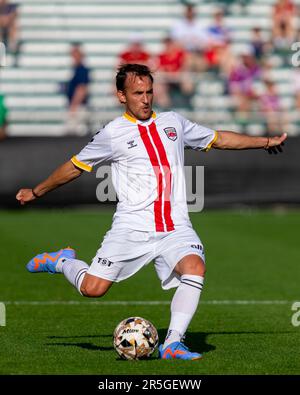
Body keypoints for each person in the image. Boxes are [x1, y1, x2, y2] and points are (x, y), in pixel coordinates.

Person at [16, 63, 286, 360]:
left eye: (149, 92)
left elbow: (218, 138)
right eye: (137, 93)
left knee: (195, 268)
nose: (145, 99)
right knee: (93, 289)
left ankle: (172, 344)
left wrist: (265, 141)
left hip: (175, 226)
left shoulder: (173, 122)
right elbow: (73, 168)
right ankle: (61, 262)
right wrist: (37, 191)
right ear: (121, 96)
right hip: (131, 228)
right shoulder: (112, 133)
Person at [62, 43, 90, 136]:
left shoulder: (82, 69)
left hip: (78, 107)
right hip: (76, 105)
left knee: (76, 133)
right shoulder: (75, 69)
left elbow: (81, 89)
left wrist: (74, 105)